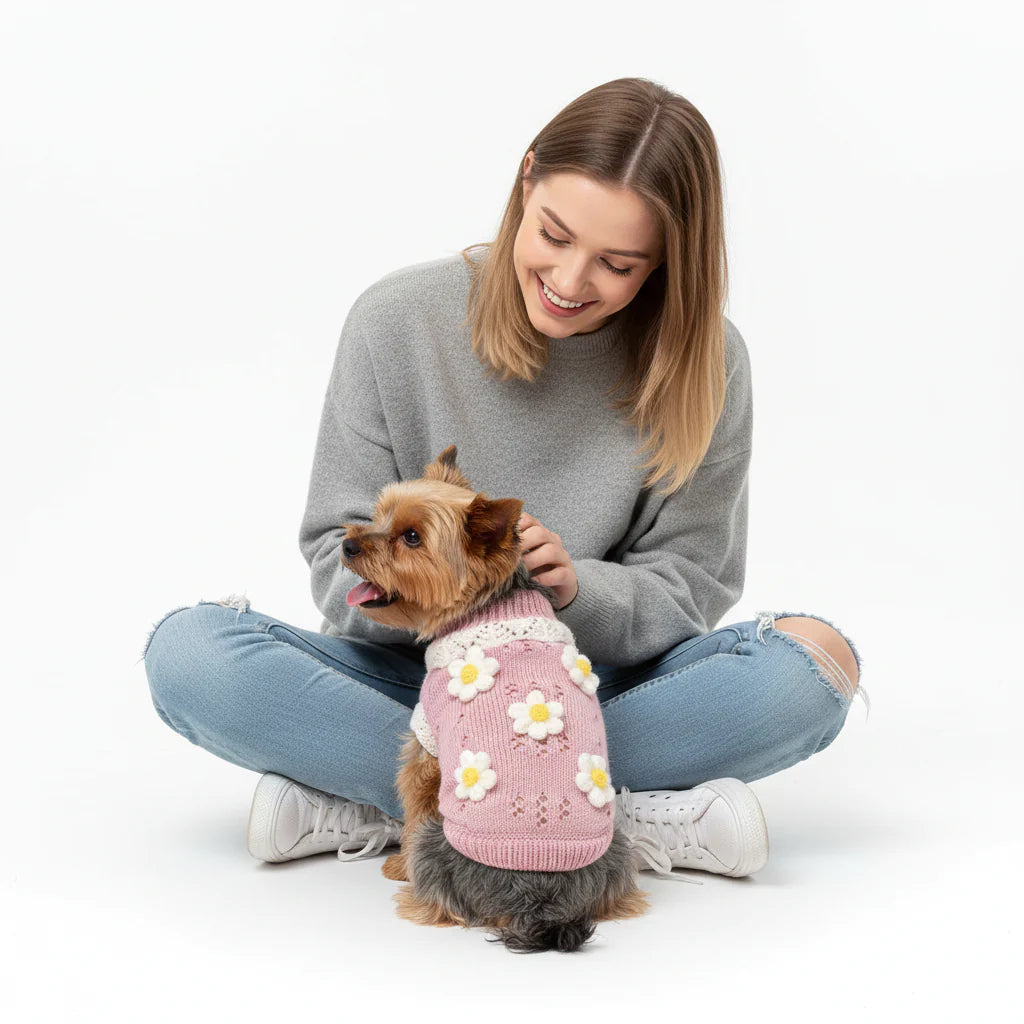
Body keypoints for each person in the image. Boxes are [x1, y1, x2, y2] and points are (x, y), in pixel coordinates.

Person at [142, 77, 866, 880]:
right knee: (190, 655)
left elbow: (691, 585)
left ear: (665, 263)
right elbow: (332, 556)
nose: (570, 279)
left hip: (593, 683)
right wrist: (449, 592)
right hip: (419, 680)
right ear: (526, 181)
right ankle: (614, 816)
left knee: (813, 665)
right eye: (553, 233)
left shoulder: (706, 365)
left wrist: (572, 592)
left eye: (619, 264)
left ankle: (399, 804)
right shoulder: (396, 319)